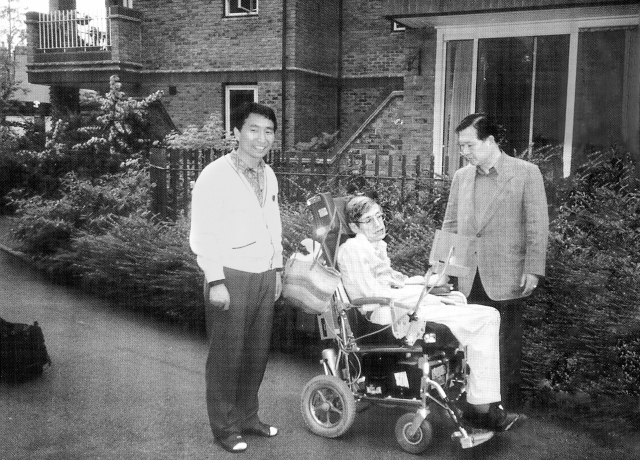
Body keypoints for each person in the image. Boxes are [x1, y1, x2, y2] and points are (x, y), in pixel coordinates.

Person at [337, 195, 522, 432]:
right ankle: (482, 408)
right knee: (486, 318)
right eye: (368, 220)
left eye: (380, 216)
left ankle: (481, 404)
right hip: (388, 316)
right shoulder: (352, 249)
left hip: (402, 306)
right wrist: (423, 287)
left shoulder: (374, 247)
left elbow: (394, 280)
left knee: (483, 315)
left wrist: (426, 283)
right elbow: (371, 295)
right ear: (354, 227)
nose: (378, 224)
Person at [190, 102, 283, 453]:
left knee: (256, 354)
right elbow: (203, 232)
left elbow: (274, 226)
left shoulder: (268, 174)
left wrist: (277, 269)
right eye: (254, 129)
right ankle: (225, 428)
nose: (262, 138)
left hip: (263, 275)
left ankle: (248, 417)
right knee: (227, 356)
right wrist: (215, 279)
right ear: (236, 133)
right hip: (230, 274)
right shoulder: (214, 175)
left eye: (269, 131)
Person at [442, 113, 549, 409]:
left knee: (505, 345)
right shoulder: (462, 177)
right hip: (467, 277)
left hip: (507, 275)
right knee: (469, 344)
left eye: (469, 145)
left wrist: (533, 269)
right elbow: (451, 224)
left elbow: (537, 226)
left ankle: (507, 405)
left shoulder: (526, 173)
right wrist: (441, 270)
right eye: (461, 147)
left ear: (490, 141)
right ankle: (474, 404)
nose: (464, 153)